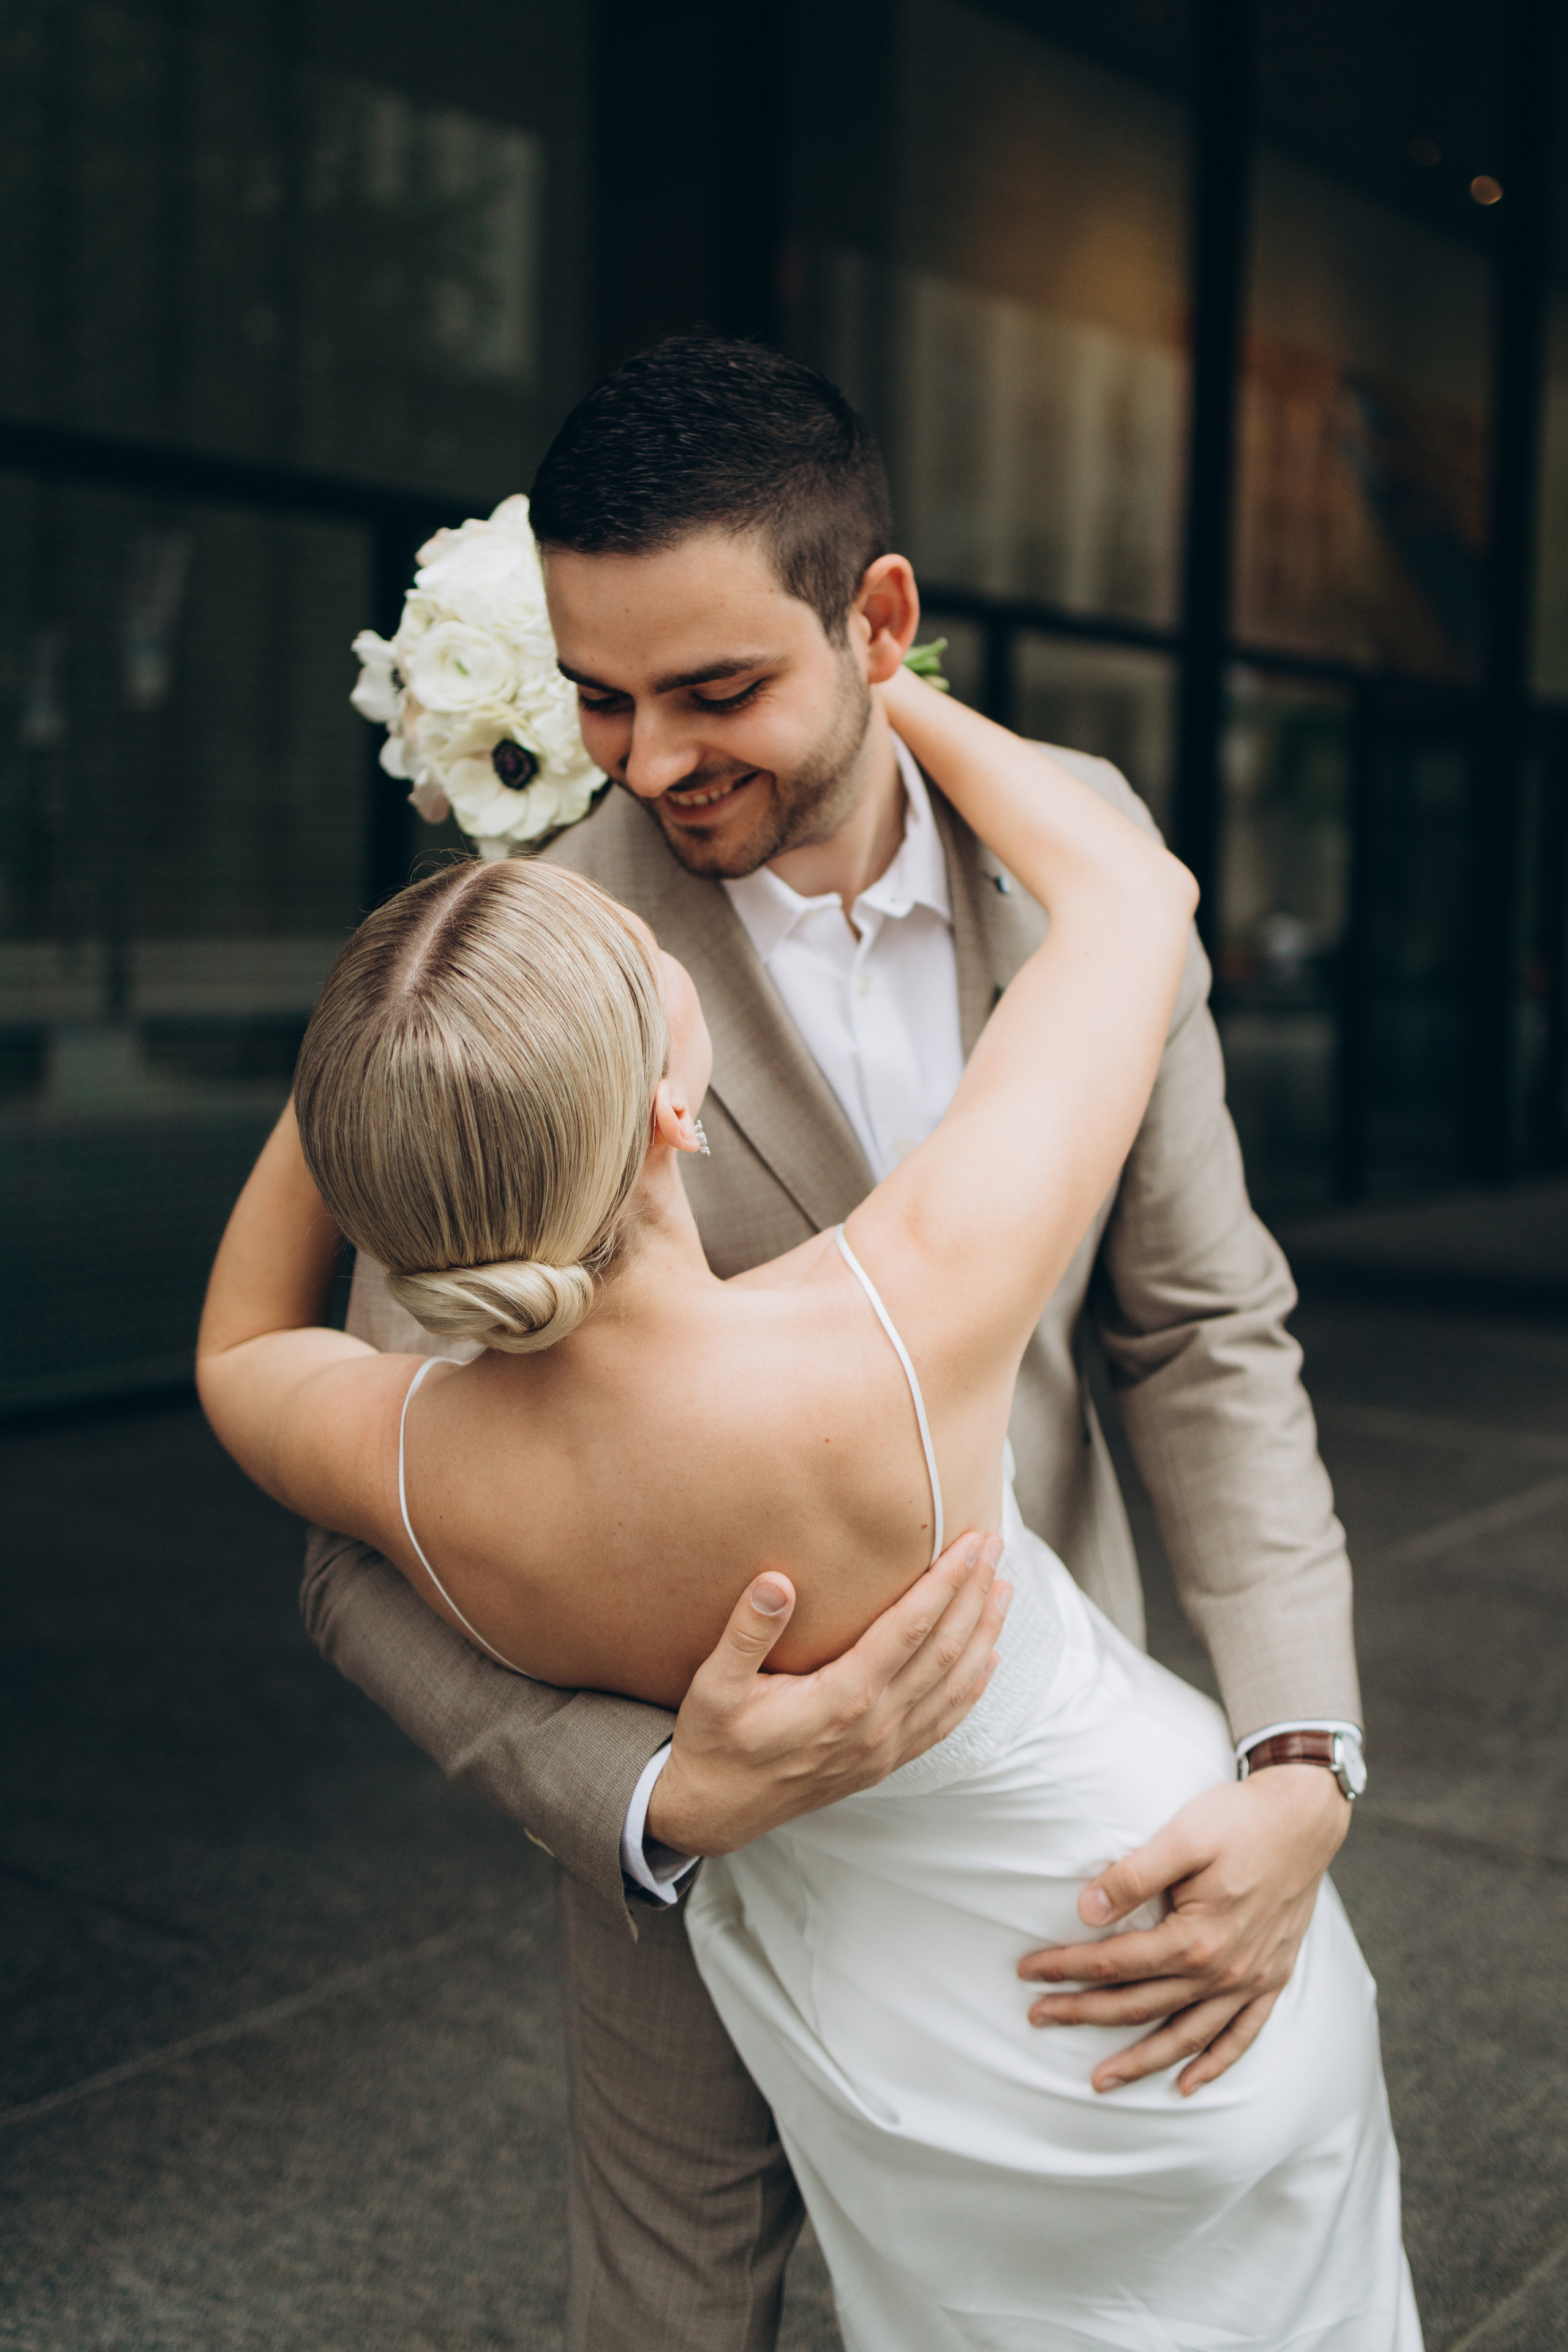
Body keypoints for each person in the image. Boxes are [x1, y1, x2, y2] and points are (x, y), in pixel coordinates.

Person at [294, 340, 1374, 2349]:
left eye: (716, 694)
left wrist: (1301, 1750)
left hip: (1045, 1821)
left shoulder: (1087, 866)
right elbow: (362, 1538)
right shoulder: (526, 956)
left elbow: (1206, 1330)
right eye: (601, 696)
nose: (647, 759)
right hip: (698, 1879)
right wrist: (652, 1794)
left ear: (881, 621)